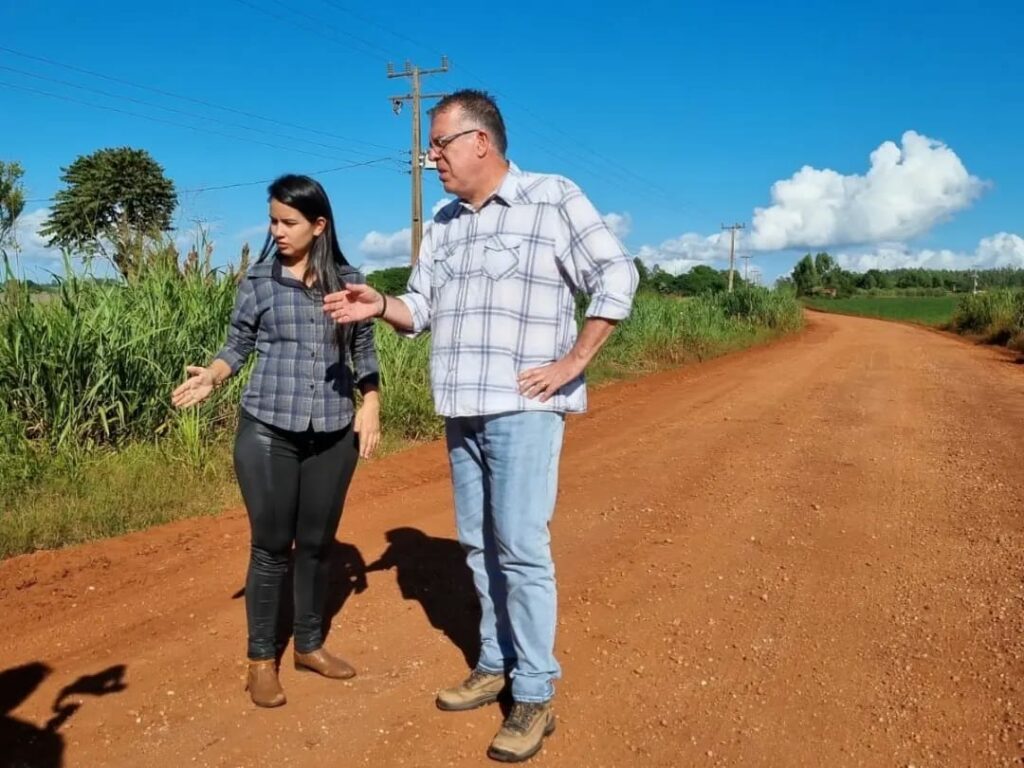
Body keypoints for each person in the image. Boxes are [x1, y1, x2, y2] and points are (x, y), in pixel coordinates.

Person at [324, 90, 637, 762]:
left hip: (524, 407)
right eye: (430, 146)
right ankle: (494, 662)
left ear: (480, 143)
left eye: (438, 144)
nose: (429, 156)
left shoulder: (550, 197)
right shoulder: (442, 220)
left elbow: (615, 273)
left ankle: (534, 693)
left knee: (520, 546)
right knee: (476, 545)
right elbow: (421, 308)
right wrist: (378, 303)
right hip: (461, 405)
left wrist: (574, 362)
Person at [172, 174, 380, 708]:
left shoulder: (350, 281)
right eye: (273, 221)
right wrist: (214, 376)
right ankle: (260, 659)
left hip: (333, 432)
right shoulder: (260, 279)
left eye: (289, 222)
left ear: (319, 225)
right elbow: (238, 342)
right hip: (268, 429)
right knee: (270, 547)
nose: (277, 231)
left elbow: (365, 353)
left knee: (315, 544)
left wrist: (371, 404)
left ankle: (308, 645)